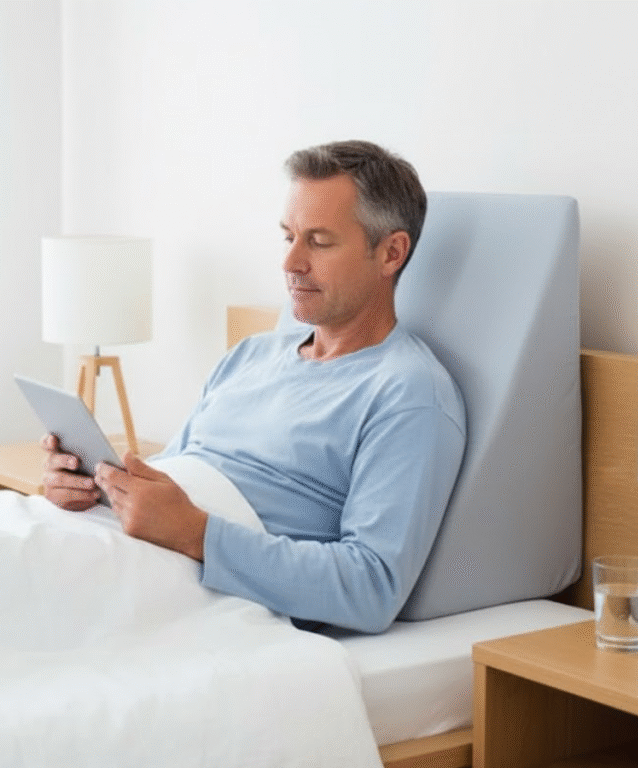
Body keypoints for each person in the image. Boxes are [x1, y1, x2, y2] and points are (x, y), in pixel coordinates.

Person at [42, 140, 466, 634]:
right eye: (288, 237)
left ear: (391, 252)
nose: (291, 263)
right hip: (126, 550)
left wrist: (198, 535)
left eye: (319, 241)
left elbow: (370, 587)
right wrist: (95, 489)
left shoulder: (407, 394)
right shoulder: (251, 355)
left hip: (189, 586)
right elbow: (173, 484)